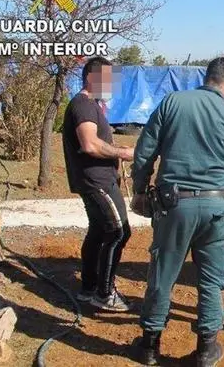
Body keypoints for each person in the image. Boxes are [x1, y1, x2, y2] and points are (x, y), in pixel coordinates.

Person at [129, 57, 224, 367]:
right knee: (211, 280)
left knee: (163, 274)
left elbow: (144, 152)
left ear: (208, 77)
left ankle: (149, 346)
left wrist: (138, 190)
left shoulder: (173, 102)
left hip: (173, 206)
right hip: (216, 210)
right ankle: (205, 350)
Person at [61, 56, 134, 312]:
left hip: (98, 180)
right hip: (96, 181)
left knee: (98, 231)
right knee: (118, 232)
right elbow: (89, 144)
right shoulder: (84, 105)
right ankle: (104, 293)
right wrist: (122, 153)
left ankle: (89, 287)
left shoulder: (93, 105)